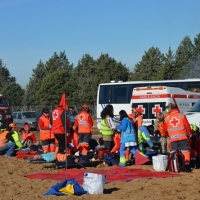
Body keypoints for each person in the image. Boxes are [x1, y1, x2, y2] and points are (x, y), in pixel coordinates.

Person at [164, 103, 192, 172]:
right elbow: (187, 125)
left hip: (173, 139)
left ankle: (175, 167)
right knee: (185, 151)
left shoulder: (167, 118)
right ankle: (186, 166)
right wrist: (189, 133)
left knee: (173, 152)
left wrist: (168, 135)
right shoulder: (182, 116)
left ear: (171, 109)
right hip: (182, 137)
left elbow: (165, 129)